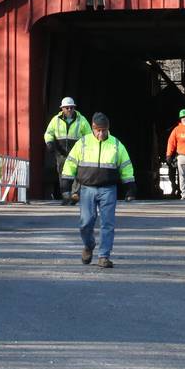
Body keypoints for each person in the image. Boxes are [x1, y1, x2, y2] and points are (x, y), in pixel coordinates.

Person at [61, 112, 135, 269]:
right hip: (87, 189)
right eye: (98, 130)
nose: (101, 134)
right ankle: (89, 245)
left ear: (108, 129)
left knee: (107, 224)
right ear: (93, 129)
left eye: (103, 130)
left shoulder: (116, 144)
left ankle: (104, 256)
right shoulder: (82, 143)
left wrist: (130, 188)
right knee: (85, 223)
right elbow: (70, 163)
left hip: (108, 189)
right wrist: (65, 186)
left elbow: (126, 166)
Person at [43, 97, 91, 204]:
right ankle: (66, 197)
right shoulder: (55, 120)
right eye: (67, 108)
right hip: (61, 153)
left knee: (78, 174)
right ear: (62, 109)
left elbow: (89, 136)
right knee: (63, 175)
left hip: (77, 153)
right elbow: (49, 133)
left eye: (71, 107)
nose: (69, 109)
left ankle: (74, 195)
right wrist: (49, 143)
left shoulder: (82, 120)